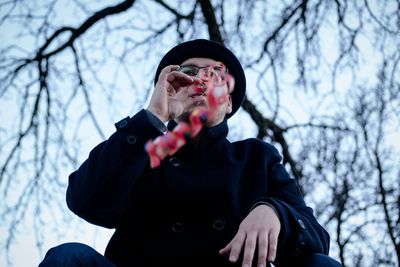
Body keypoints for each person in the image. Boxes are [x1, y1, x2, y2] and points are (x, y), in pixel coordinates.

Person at [39, 39, 342, 267]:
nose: (200, 80)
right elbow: (85, 201)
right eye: (188, 72)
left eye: (215, 75)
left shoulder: (257, 158)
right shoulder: (140, 152)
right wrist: (151, 118)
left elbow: (317, 238)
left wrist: (276, 212)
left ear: (228, 104)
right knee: (69, 258)